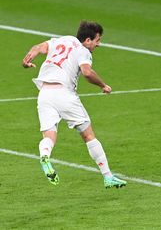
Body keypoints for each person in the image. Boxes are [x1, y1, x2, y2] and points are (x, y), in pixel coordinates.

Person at [22, 21, 128, 187]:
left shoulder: (63, 40)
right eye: (97, 40)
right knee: (88, 135)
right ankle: (108, 177)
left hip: (44, 94)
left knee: (49, 136)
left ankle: (45, 156)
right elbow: (87, 72)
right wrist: (103, 85)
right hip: (64, 94)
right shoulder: (83, 51)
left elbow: (38, 47)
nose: (98, 44)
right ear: (87, 40)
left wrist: (28, 59)